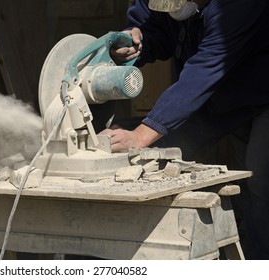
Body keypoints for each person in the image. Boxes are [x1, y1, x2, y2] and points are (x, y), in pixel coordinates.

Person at [101, 0, 269, 259]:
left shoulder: (238, 6)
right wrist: (136, 42)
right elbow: (158, 29)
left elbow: (203, 71)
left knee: (260, 182)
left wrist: (142, 134)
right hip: (229, 97)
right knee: (241, 183)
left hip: (261, 92)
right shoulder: (160, 4)